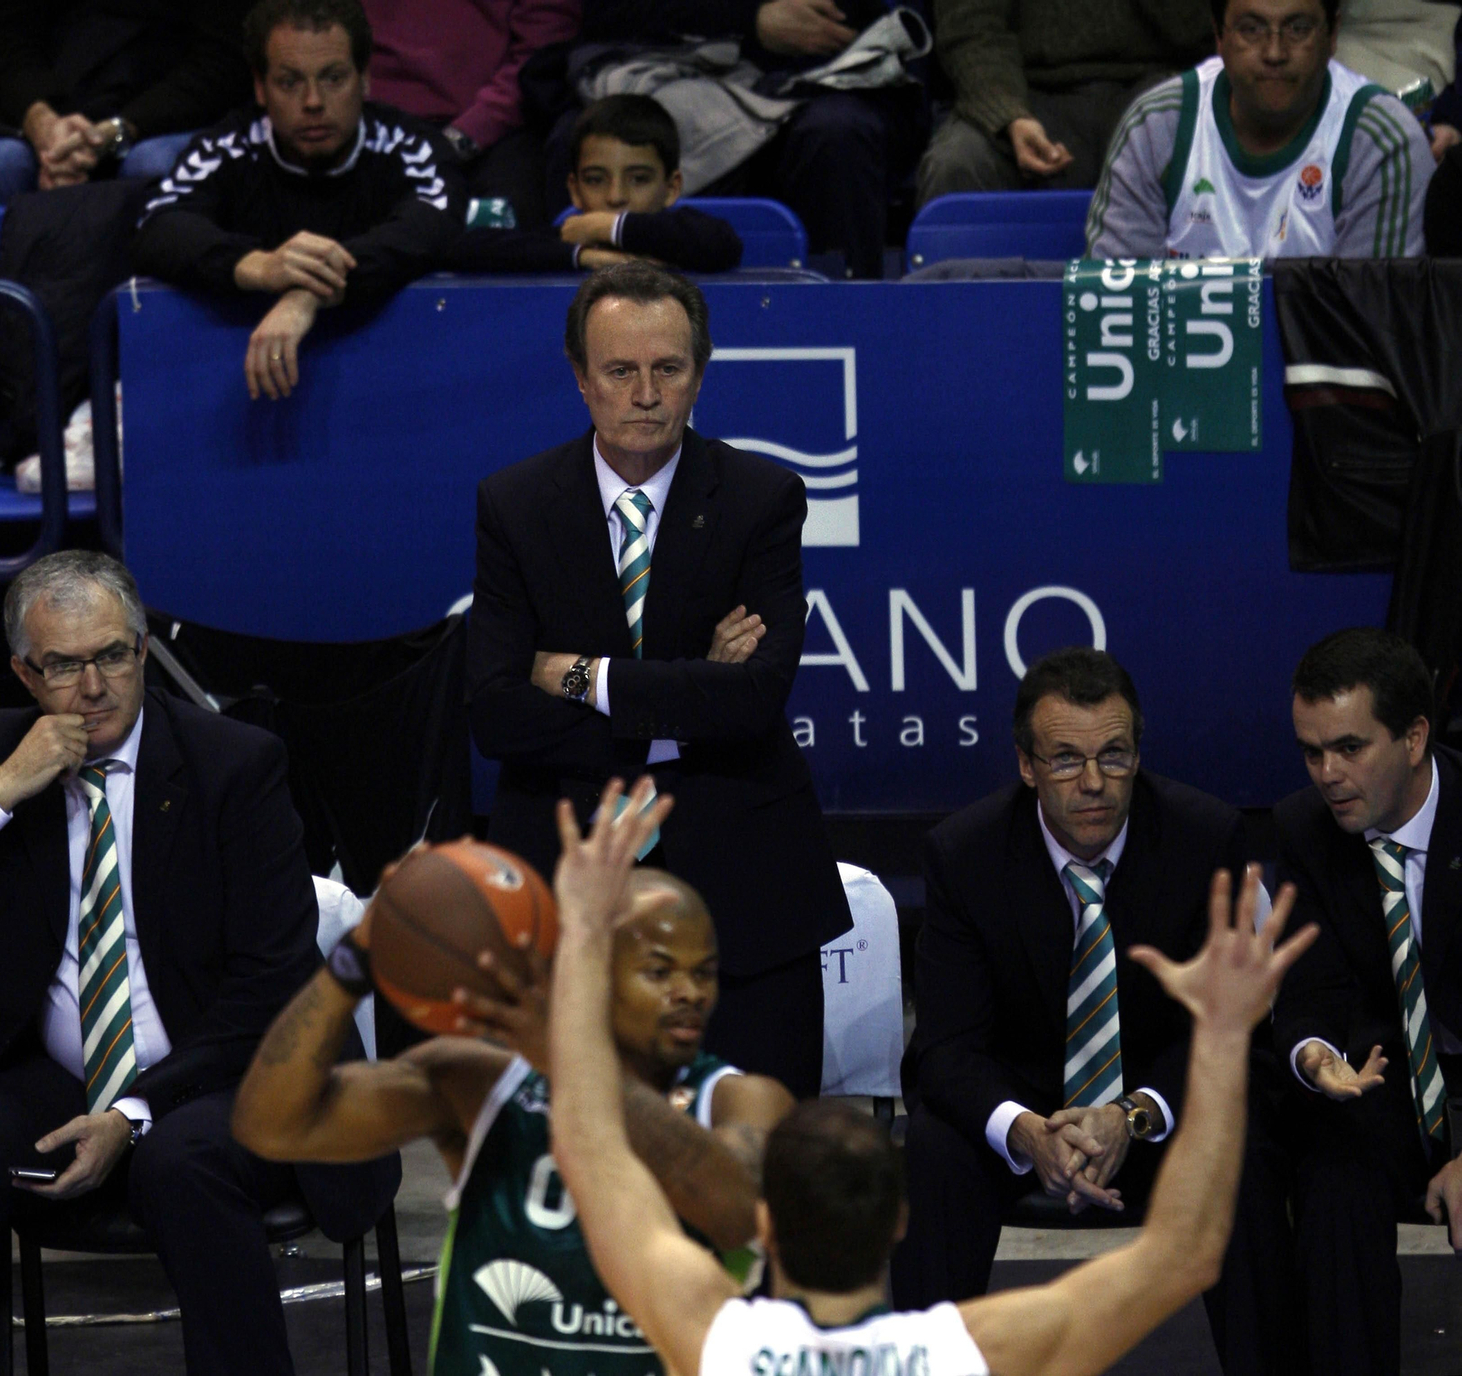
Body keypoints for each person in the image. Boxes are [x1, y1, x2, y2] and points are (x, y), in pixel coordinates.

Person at [543, 774, 1319, 1376]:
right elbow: (1185, 1250)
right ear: (898, 1227)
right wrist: (1221, 1034)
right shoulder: (967, 1349)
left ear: (766, 1227)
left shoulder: (714, 1336)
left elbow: (589, 1149)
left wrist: (579, 935)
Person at [0, 551, 325, 1376]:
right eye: (65, 666)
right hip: (55, 1074)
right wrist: (2, 791)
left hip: (218, 1073)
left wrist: (134, 1114)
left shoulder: (234, 766)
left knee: (184, 1163)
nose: (96, 686)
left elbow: (273, 991)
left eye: (113, 655)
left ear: (144, 652)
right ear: (24, 673)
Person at [466, 261, 851, 1098]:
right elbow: (495, 713)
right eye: (620, 371)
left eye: (667, 369)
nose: (645, 393)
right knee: (574, 1178)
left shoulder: (762, 498)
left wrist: (584, 677)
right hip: (568, 882)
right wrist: (690, 690)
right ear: (581, 380)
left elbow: (754, 701)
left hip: (745, 883)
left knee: (756, 1168)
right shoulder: (517, 505)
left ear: (699, 376)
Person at [231, 849, 793, 1376]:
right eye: (660, 970)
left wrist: (569, 1061)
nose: (689, 992)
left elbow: (739, 1212)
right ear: (588, 972)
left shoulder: (740, 1099)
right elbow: (271, 1125)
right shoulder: (484, 1084)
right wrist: (350, 966)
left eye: (703, 972)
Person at [891, 646, 1296, 1373]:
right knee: (932, 1148)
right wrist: (1027, 1132)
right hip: (1027, 1123)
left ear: (1139, 756)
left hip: (1159, 1116)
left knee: (1247, 1144)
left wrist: (1133, 1115)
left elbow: (1230, 1035)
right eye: (1065, 760)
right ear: (1026, 767)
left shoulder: (1206, 839)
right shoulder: (966, 855)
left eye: (1113, 756)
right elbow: (946, 1051)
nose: (1092, 784)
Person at [1273, 627, 1462, 1376]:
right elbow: (1309, 988)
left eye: (1350, 748)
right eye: (1312, 751)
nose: (1327, 773)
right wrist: (1314, 1055)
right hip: (1385, 1079)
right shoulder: (1303, 831)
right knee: (1330, 1176)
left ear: (1414, 737)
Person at [131, 0, 465, 402]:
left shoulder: (412, 147)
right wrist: (259, 266)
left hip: (403, 387)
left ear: (365, 80)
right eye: (289, 82)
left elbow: (430, 227)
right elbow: (158, 225)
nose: (313, 102)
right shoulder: (227, 148)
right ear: (259, 87)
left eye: (333, 78)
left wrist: (307, 293)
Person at [574, 0, 928, 279]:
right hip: (669, 68)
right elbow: (607, 16)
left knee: (838, 132)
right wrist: (749, 20)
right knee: (592, 137)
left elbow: (852, 17)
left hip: (811, 83)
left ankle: (849, 320)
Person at [1085, 0, 1432, 259]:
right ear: (1219, 36)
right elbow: (1116, 314)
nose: (1274, 52)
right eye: (1251, 28)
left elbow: (1373, 329)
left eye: (1298, 28)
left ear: (1332, 35)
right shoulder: (1157, 126)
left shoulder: (1382, 143)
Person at [0, 0, 255, 209]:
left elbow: (222, 58)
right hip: (42, 111)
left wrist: (118, 131)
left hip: (162, 115)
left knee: (152, 165)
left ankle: (143, 295)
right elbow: (0, 37)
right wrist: (44, 126)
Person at [919, 0, 1212, 205]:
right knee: (957, 166)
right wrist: (1009, 114)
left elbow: (1206, 28)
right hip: (1025, 91)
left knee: (1201, 154)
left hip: (1157, 82)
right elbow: (970, 28)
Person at [446, 95, 744, 274]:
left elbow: (723, 244)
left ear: (672, 187)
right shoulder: (572, 241)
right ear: (574, 189)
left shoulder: (688, 239)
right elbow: (465, 248)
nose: (616, 196)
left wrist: (608, 228)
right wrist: (585, 256)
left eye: (639, 179)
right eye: (595, 180)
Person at [363, 0, 579, 227]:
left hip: (495, 133)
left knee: (506, 227)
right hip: (372, 125)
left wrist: (462, 137)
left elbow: (542, 53)